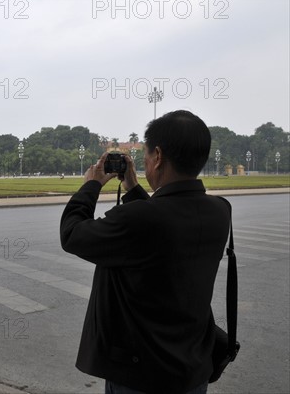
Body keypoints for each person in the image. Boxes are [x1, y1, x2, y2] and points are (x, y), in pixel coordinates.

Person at [60, 110, 231, 394]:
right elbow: (163, 226)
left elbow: (72, 234)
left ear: (158, 156)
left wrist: (91, 183)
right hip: (191, 369)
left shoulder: (141, 219)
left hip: (141, 376)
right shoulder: (220, 210)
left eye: (148, 156)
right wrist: (132, 187)